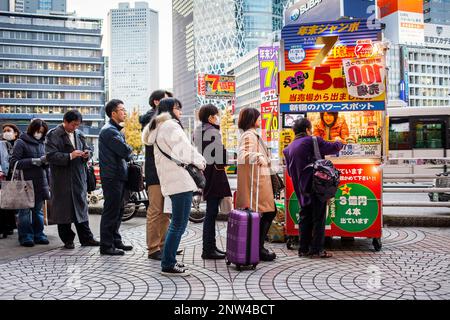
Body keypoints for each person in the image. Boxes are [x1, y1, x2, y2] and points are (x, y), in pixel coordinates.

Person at [142, 98, 206, 276]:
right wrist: (201, 162)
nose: (179, 112)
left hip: (171, 181)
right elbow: (185, 151)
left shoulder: (159, 128)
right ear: (170, 109)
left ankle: (169, 260)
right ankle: (168, 263)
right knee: (178, 224)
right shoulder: (170, 126)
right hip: (180, 181)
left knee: (176, 223)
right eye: (178, 108)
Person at [283, 118, 343, 259]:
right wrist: (340, 142)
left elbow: (290, 172)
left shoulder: (287, 149)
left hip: (300, 187)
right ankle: (316, 249)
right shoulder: (313, 140)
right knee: (319, 217)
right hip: (316, 185)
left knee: (305, 217)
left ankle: (303, 249)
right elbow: (333, 147)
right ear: (307, 130)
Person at [45, 110, 100, 249]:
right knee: (63, 210)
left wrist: (87, 154)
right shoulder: (53, 134)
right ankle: (67, 240)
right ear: (65, 121)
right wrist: (70, 155)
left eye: (78, 125)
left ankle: (86, 238)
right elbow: (50, 156)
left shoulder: (79, 134)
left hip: (78, 176)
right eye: (73, 125)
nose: (75, 127)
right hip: (61, 179)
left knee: (81, 208)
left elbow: (89, 148)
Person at [235, 107, 277, 262]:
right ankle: (258, 248)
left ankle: (258, 247)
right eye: (258, 117)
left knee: (266, 212)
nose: (261, 120)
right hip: (256, 183)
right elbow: (242, 155)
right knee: (267, 212)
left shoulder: (252, 134)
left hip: (259, 181)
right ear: (252, 119)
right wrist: (258, 155)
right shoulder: (249, 135)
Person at [139, 90, 175, 261]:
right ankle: (153, 247)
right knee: (155, 209)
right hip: (155, 171)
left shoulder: (166, 121)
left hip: (167, 171)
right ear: (156, 102)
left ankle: (163, 244)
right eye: (167, 101)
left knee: (166, 210)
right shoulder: (152, 120)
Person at [193, 104, 231, 260]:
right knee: (211, 213)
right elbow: (221, 157)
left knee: (211, 212)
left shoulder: (197, 131)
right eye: (217, 115)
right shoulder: (212, 131)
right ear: (210, 117)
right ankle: (208, 249)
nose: (218, 118)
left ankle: (210, 247)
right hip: (215, 175)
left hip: (206, 174)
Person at [98, 99, 134, 256]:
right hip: (112, 176)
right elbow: (125, 151)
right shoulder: (109, 131)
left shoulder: (115, 130)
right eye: (122, 110)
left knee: (119, 210)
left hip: (118, 175)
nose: (124, 112)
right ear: (113, 113)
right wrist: (130, 148)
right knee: (111, 211)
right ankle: (106, 245)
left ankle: (115, 241)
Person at [10, 119, 50, 247]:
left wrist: (45, 163)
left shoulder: (43, 143)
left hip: (40, 182)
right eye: (37, 131)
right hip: (25, 182)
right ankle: (26, 236)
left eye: (42, 132)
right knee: (25, 212)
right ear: (32, 130)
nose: (39, 134)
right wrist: (33, 161)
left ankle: (39, 235)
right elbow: (14, 162)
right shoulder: (21, 142)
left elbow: (47, 165)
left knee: (38, 211)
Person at [0, 123, 20, 238]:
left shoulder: (19, 144)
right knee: (3, 202)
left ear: (15, 133)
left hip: (16, 176)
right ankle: (4, 228)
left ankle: (11, 226)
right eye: (4, 131)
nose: (6, 133)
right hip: (4, 176)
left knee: (13, 202)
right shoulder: (0, 144)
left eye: (9, 130)